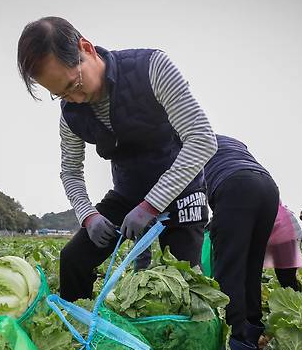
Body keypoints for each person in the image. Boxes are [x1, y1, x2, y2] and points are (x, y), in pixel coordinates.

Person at [17, 17, 217, 302]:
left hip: (182, 192)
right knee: (74, 259)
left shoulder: (152, 68)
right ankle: (78, 335)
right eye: (60, 94)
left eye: (74, 84)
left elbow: (201, 139)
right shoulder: (71, 114)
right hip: (128, 195)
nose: (74, 98)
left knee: (188, 286)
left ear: (86, 48)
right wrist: (89, 216)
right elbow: (71, 171)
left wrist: (151, 205)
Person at [204, 135, 279, 350]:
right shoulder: (229, 141)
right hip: (267, 186)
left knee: (229, 269)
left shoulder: (187, 140)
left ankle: (233, 343)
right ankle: (253, 328)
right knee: (251, 265)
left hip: (233, 184)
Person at [264, 203, 302, 291]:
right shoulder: (285, 211)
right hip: (290, 246)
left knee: (285, 276)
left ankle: (293, 295)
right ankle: (296, 294)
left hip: (283, 248)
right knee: (289, 275)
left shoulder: (275, 211)